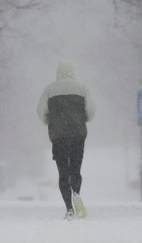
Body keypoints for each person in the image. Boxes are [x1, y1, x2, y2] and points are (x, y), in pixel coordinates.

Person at [37, 60, 96, 219]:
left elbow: (40, 111)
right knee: (76, 169)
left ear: (58, 72)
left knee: (63, 172)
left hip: (59, 136)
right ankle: (76, 193)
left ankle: (69, 208)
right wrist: (82, 119)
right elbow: (91, 111)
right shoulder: (82, 88)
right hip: (78, 135)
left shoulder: (49, 90)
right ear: (72, 71)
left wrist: (50, 121)